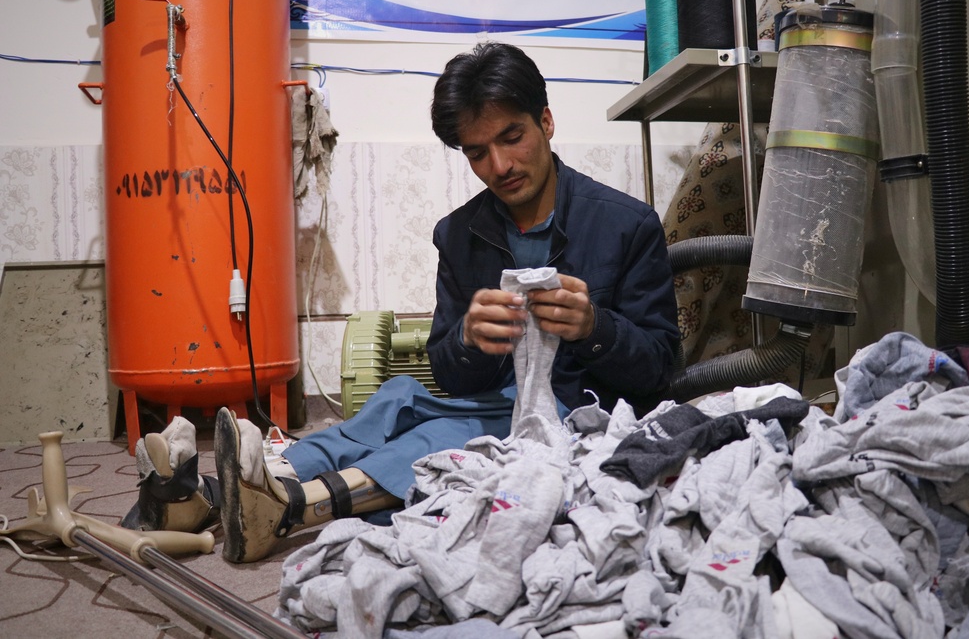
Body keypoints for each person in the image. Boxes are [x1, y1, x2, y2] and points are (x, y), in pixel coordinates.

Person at [122, 42, 680, 563]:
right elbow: (447, 373)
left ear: (547, 121)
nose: (500, 166)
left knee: (439, 436)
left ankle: (290, 505)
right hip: (492, 400)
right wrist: (467, 339)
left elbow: (661, 369)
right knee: (397, 395)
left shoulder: (627, 225)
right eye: (478, 152)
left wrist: (593, 327)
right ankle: (218, 492)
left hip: (571, 414)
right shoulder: (458, 234)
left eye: (513, 137)